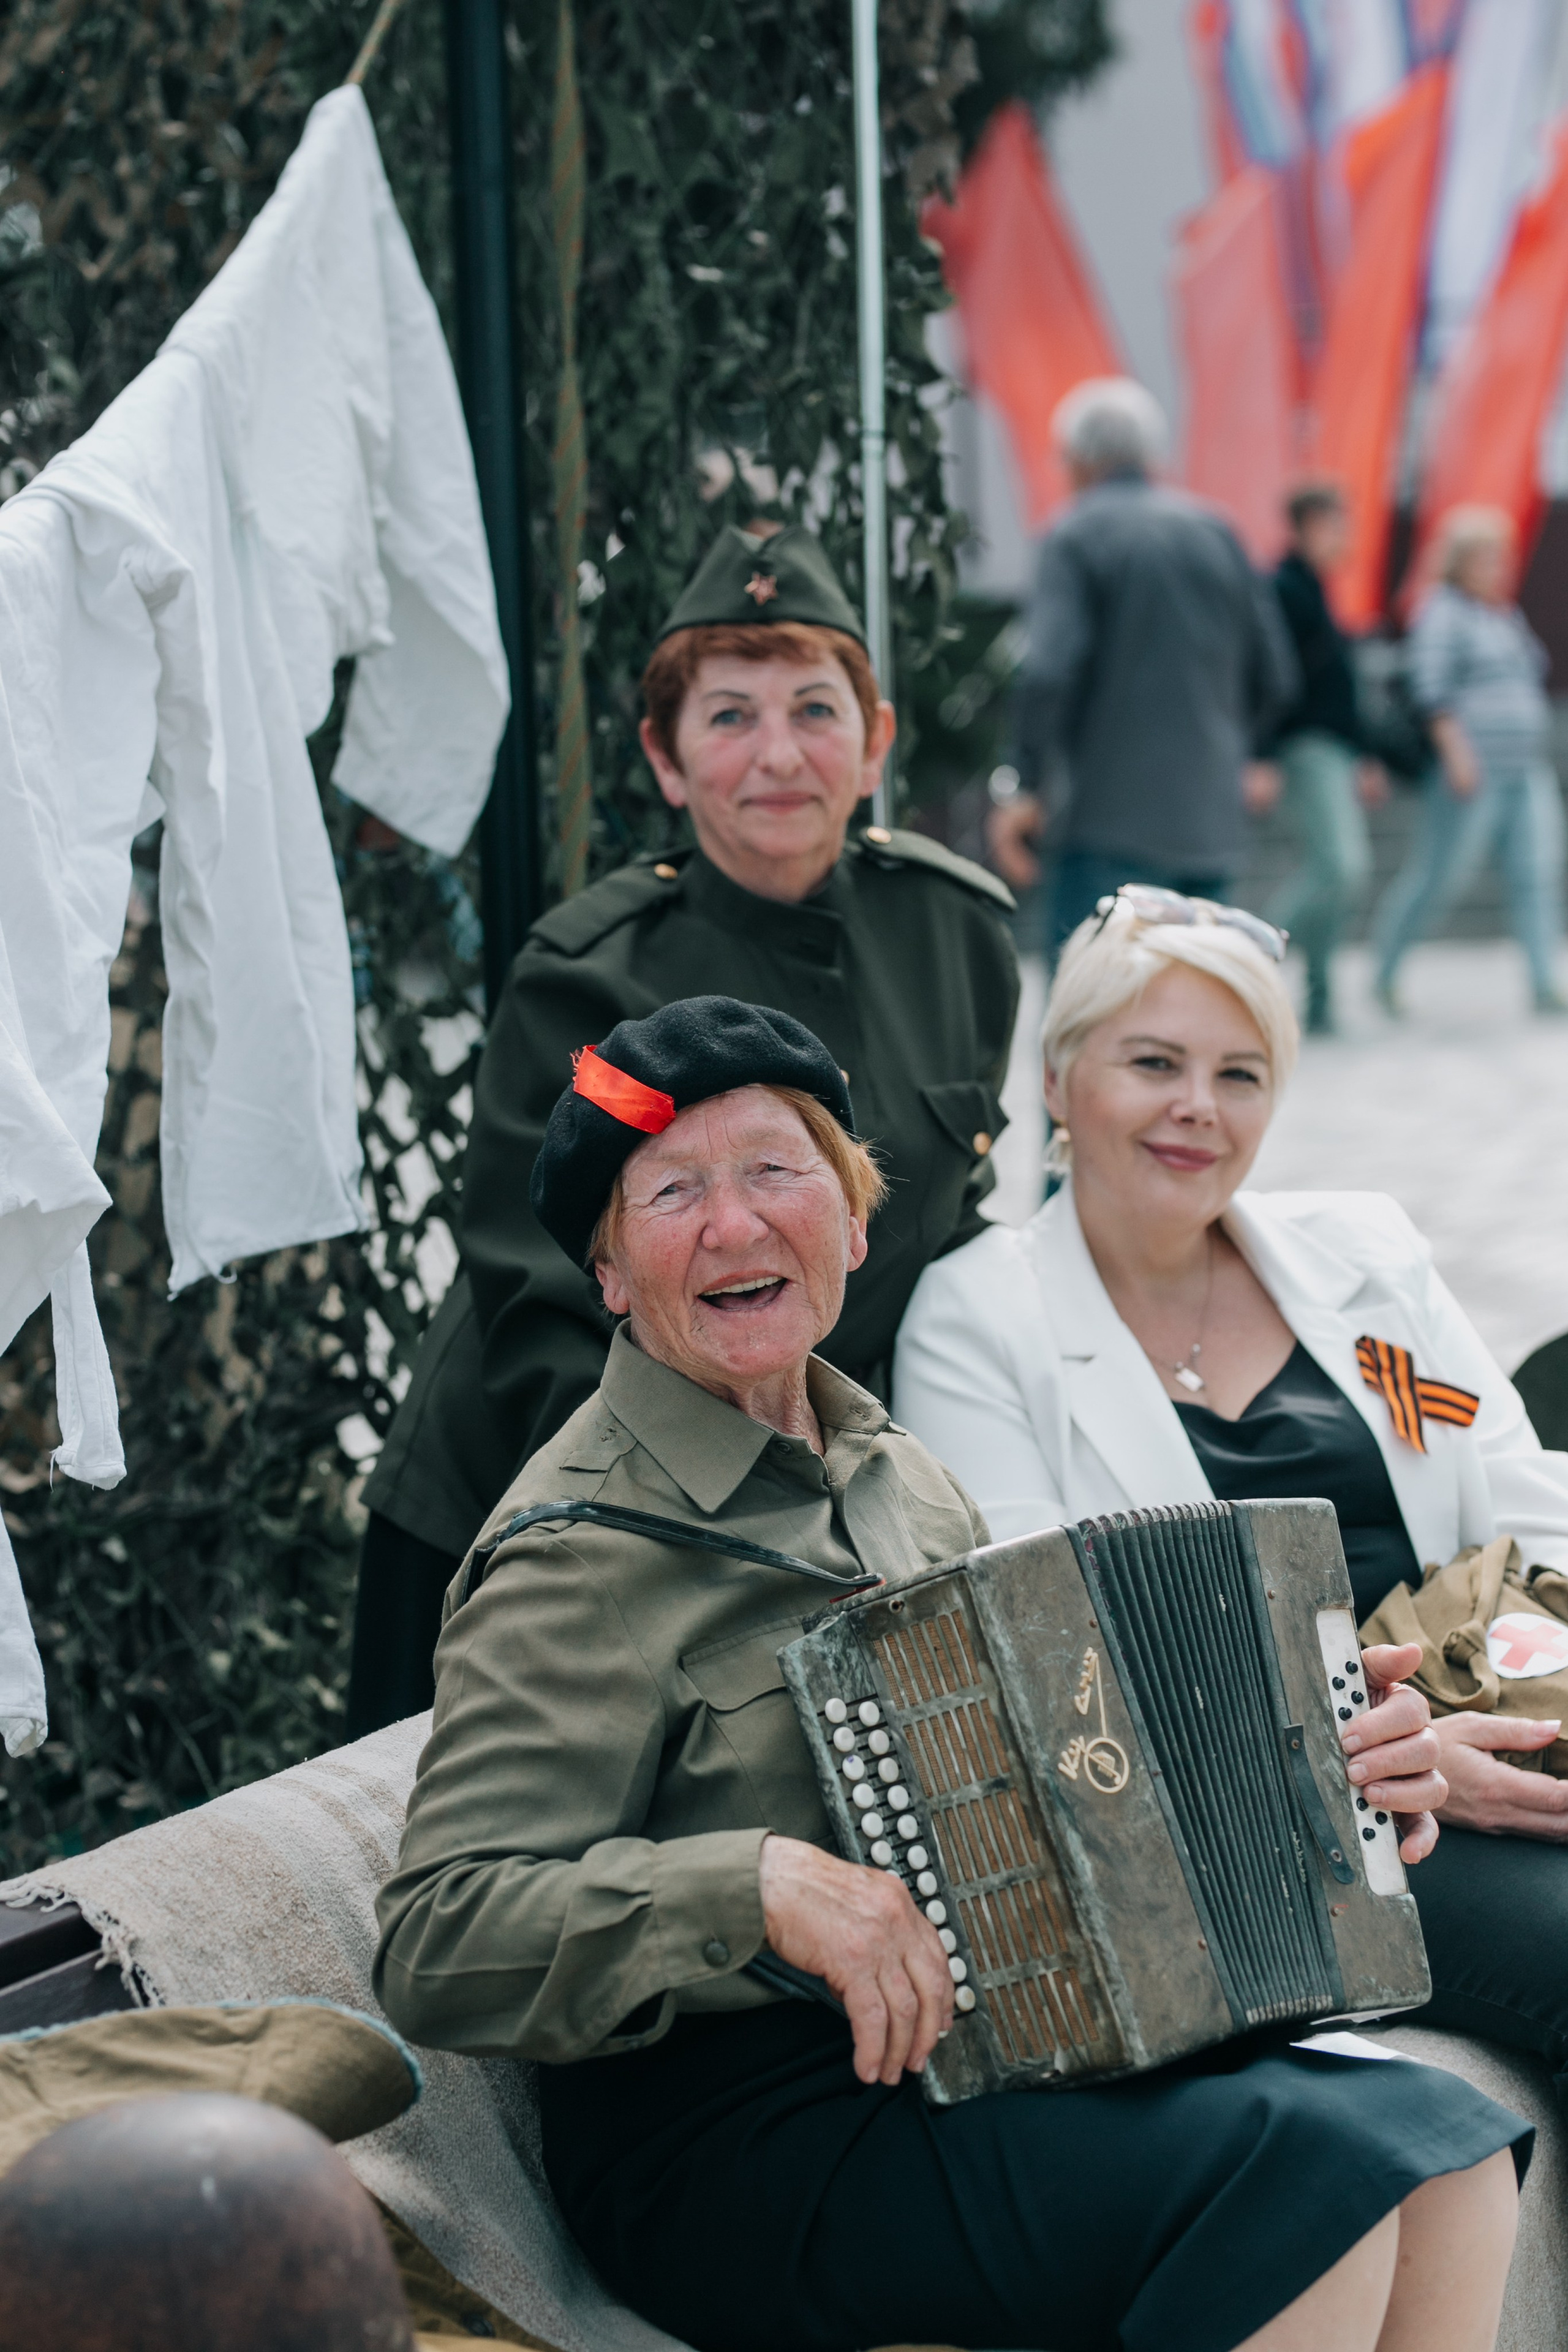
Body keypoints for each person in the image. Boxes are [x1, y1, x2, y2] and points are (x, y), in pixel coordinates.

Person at [374, 992, 1526, 2352]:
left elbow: (1044, 1784)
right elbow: (436, 1939)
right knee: (1304, 2177)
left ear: (851, 1225)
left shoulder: (894, 1474)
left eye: (774, 1171)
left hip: (960, 2048)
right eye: (671, 1191)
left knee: (1444, 2142)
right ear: (611, 1272)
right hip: (734, 2139)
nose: (734, 1225)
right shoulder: (572, 1552)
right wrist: (752, 1888)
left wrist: (1313, 1771)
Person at [894, 885, 1568, 2109]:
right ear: (1055, 1079)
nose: (1197, 1108)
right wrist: (1403, 1763)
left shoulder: (1360, 1268)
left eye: (1238, 1074)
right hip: (1281, 1828)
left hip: (1483, 1719)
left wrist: (1518, 1693)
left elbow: (1514, 1490)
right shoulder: (981, 1318)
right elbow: (1054, 1660)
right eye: (1152, 1062)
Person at [347, 520, 1019, 1736]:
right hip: (543, 1499)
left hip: (807, 1487)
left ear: (873, 743)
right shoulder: (589, 978)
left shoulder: (956, 934)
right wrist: (731, 1526)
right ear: (665, 758)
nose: (777, 755)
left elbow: (945, 1247)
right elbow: (537, 1308)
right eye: (727, 717)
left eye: (815, 710)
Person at [986, 377, 1296, 956]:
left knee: (1091, 1013)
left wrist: (1023, 782)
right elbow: (1276, 672)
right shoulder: (1218, 532)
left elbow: (1048, 671)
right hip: (1209, 823)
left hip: (1106, 821)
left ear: (1077, 460)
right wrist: (1246, 750)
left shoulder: (1073, 536)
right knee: (1198, 1002)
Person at [1372, 505, 1567, 1017]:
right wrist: (1458, 755)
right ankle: (1386, 970)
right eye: (1486, 559)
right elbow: (1431, 692)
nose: (1497, 570)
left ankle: (1544, 980)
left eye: (1501, 559)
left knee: (1536, 872)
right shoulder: (1443, 612)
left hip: (1524, 767)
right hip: (1472, 771)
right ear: (1459, 562)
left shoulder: (1502, 614)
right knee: (1441, 875)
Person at [1262, 481, 1388, 1035]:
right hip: (1304, 746)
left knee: (1337, 872)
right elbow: (1269, 679)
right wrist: (1261, 754)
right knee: (1339, 867)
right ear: (1307, 524)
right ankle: (1250, 956)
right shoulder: (1284, 589)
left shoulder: (1315, 588)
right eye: (1336, 524)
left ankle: (1320, 998)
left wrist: (1363, 754)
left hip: (1333, 747)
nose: (1344, 537)